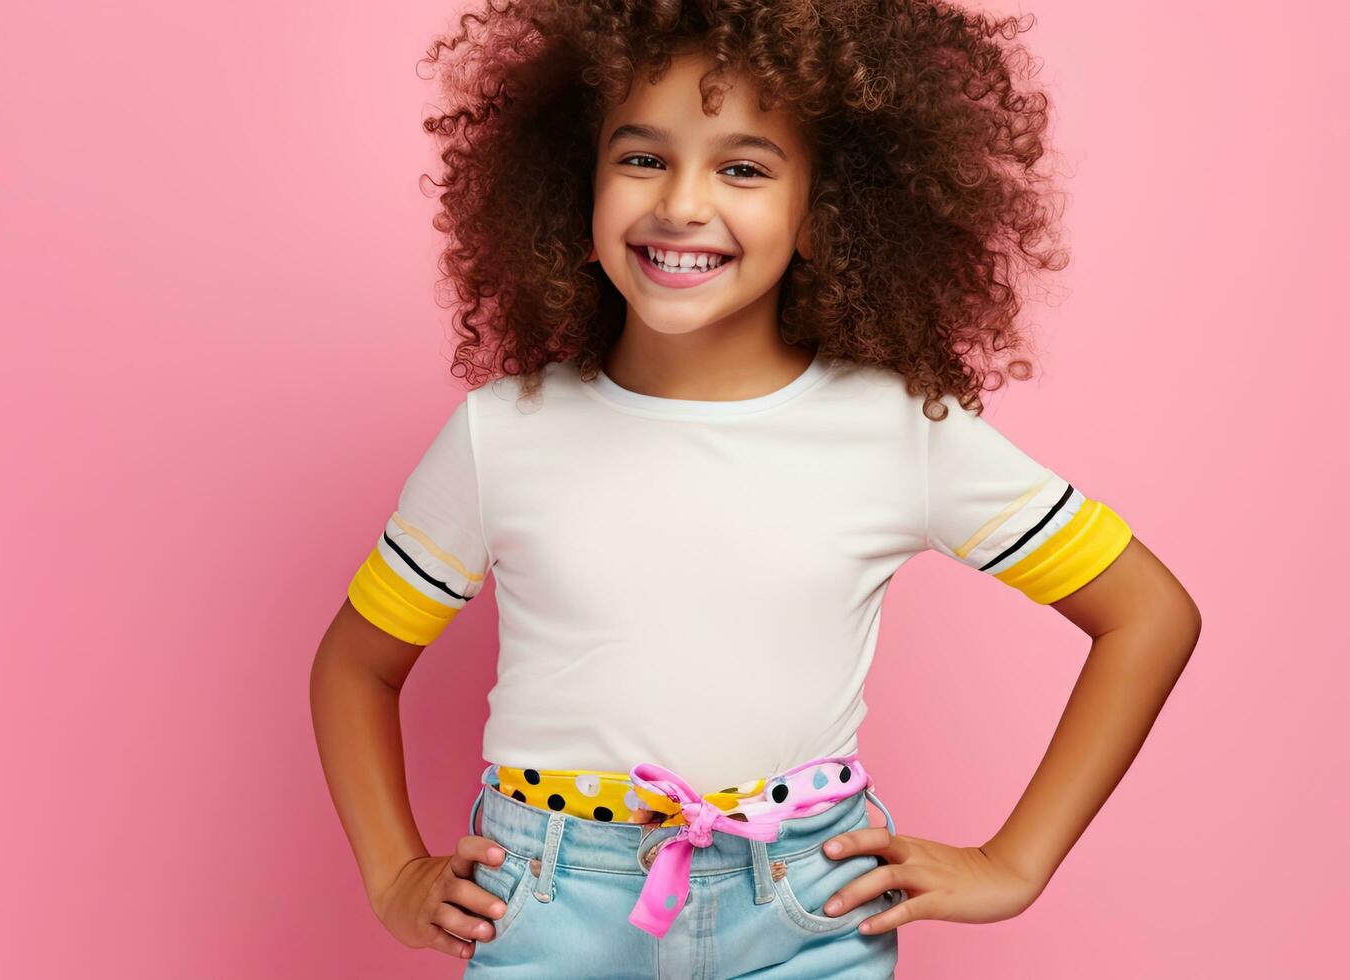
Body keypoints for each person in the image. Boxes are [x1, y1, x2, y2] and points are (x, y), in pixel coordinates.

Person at [307, 2, 1203, 977]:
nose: (681, 203)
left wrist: (1012, 861)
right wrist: (394, 872)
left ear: (825, 213)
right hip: (547, 901)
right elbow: (354, 665)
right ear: (578, 184)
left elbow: (1146, 613)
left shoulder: (900, 432)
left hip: (806, 910)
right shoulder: (499, 434)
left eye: (741, 166)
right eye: (641, 158)